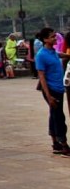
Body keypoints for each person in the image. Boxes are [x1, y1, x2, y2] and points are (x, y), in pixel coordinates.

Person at [35, 27, 70, 156]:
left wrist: (67, 55)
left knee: (54, 115)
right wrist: (48, 96)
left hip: (58, 89)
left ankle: (55, 143)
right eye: (52, 37)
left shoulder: (52, 51)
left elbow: (58, 55)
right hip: (51, 90)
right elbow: (41, 76)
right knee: (59, 117)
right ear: (45, 39)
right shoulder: (41, 55)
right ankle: (64, 145)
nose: (55, 38)